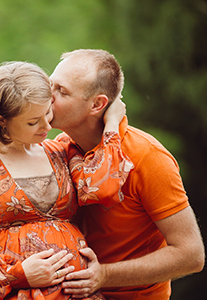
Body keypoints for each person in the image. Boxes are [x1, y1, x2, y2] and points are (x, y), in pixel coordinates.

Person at [0, 61, 133, 300]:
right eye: (33, 122)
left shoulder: (61, 150)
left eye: (47, 112)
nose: (47, 126)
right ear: (2, 120)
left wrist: (112, 125)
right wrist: (19, 274)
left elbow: (104, 188)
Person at [49, 49, 205, 300]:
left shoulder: (147, 157)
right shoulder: (61, 146)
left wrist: (104, 275)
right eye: (50, 85)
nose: (48, 96)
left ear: (97, 104)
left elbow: (191, 255)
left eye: (62, 92)